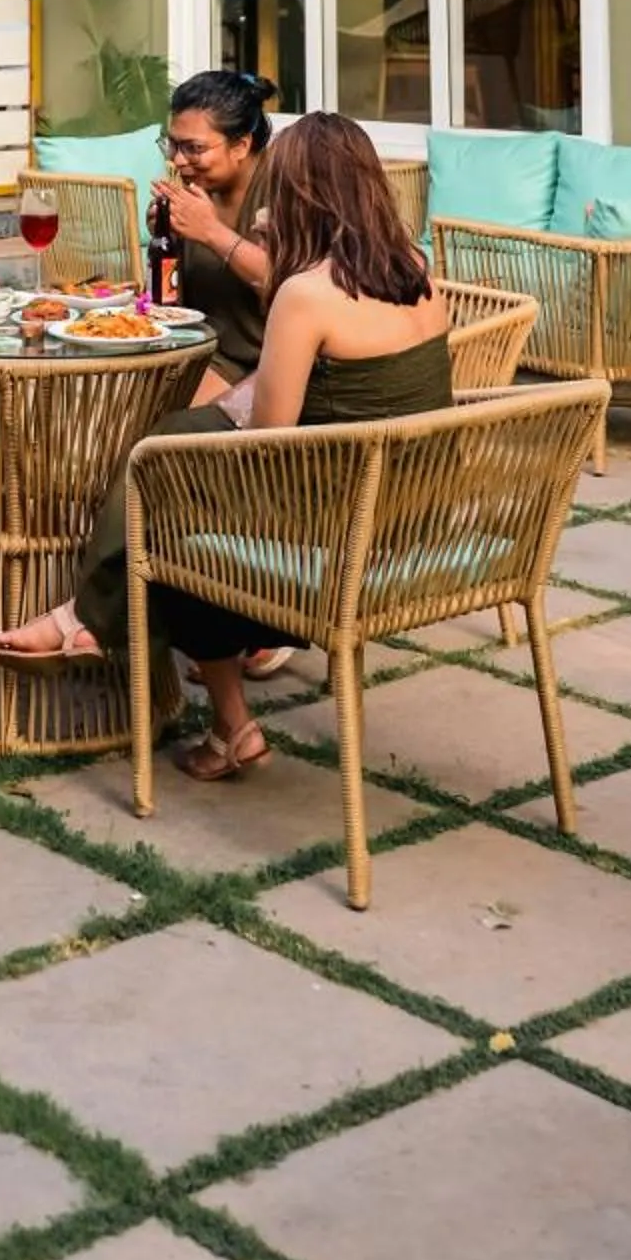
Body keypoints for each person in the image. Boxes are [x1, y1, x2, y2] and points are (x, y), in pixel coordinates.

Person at [147, 111, 451, 782]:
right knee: (176, 469)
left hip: (336, 533)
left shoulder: (307, 295)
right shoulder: (419, 272)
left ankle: (230, 723)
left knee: (163, 504)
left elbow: (267, 450)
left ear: (298, 197)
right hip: (418, 520)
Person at [0, 69, 277, 669]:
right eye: (172, 145)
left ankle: (104, 617)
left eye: (193, 147)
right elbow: (178, 298)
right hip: (190, 347)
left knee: (151, 451)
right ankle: (129, 608)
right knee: (97, 436)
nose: (179, 159)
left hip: (258, 365)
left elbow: (297, 285)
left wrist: (214, 235)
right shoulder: (189, 193)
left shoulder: (279, 190)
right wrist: (164, 244)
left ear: (244, 144)